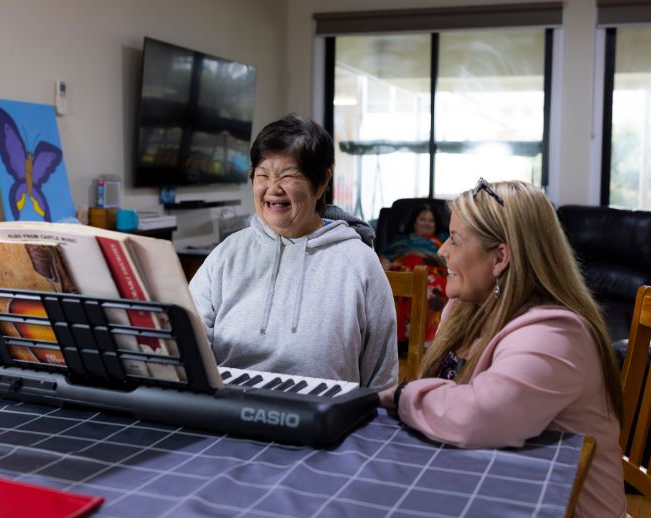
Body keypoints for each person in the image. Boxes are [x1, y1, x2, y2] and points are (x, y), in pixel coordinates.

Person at [379, 179, 625, 518]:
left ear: (500, 257)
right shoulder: (464, 307)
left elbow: (477, 415)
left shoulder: (556, 335)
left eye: (455, 239)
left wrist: (403, 393)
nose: (441, 250)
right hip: (502, 484)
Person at [189, 114, 397, 390]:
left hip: (322, 419)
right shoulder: (227, 254)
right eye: (262, 175)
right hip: (231, 410)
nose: (272, 189)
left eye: (288, 176)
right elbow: (189, 343)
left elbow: (381, 379)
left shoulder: (358, 263)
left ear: (321, 183)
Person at [380, 204, 449, 345]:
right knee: (404, 285)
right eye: (422, 219)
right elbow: (384, 258)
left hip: (435, 275)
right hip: (407, 272)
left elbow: (448, 262)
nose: (427, 223)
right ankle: (403, 341)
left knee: (433, 291)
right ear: (414, 222)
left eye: (431, 220)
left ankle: (431, 343)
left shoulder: (443, 243)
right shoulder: (402, 241)